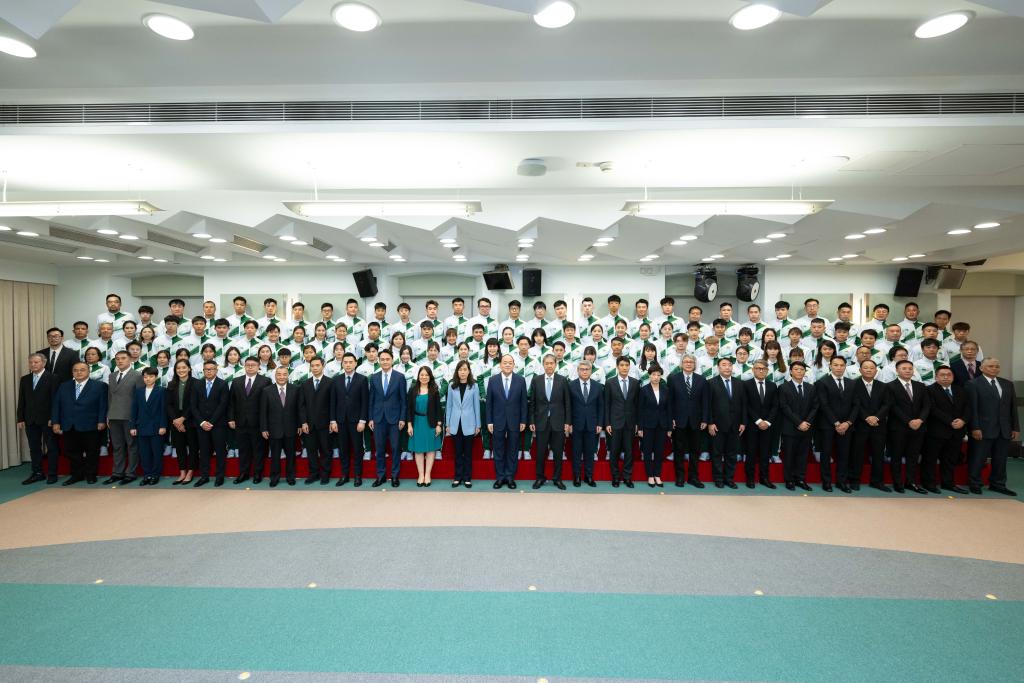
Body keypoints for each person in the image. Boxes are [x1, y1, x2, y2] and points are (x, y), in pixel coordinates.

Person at [966, 358, 1019, 496]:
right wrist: (975, 427)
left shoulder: (1007, 384)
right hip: (982, 429)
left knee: (1001, 459)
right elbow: (972, 408)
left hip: (1004, 428)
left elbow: (1012, 407)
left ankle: (998, 484)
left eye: (997, 366)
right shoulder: (973, 384)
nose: (994, 368)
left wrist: (1015, 427)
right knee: (978, 458)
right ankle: (975, 483)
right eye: (990, 366)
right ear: (981, 368)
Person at [51, 361, 108, 485]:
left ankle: (91, 475)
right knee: (71, 451)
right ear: (72, 372)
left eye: (82, 370)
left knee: (92, 451)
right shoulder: (64, 386)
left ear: (89, 371)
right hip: (69, 424)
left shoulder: (100, 386)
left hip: (91, 424)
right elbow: (57, 405)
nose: (79, 372)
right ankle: (77, 475)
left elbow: (103, 405)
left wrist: (101, 420)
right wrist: (55, 422)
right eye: (75, 370)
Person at [924, 366, 971, 495]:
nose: (946, 377)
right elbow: (932, 409)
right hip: (936, 431)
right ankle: (929, 483)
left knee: (950, 459)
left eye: (949, 375)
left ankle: (948, 483)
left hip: (956, 431)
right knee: (930, 459)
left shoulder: (960, 390)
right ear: (936, 377)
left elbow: (968, 408)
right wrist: (950, 421)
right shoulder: (929, 390)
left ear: (953, 377)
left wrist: (963, 420)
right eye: (942, 375)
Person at [528, 354, 572, 489]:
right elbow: (532, 402)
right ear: (543, 365)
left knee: (558, 453)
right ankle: (539, 478)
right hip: (541, 422)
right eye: (546, 363)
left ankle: (557, 479)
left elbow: (567, 403)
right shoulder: (536, 380)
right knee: (540, 453)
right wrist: (532, 421)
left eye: (551, 363)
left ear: (555, 365)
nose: (549, 366)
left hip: (558, 422)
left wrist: (567, 422)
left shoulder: (562, 380)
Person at [886, 359, 930, 494]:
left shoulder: (920, 386)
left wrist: (920, 420)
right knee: (897, 456)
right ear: (897, 370)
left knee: (913, 456)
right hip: (898, 427)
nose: (907, 371)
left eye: (910, 369)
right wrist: (908, 421)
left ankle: (911, 482)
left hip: (918, 427)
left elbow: (927, 405)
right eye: (904, 368)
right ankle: (898, 483)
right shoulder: (890, 386)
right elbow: (892, 406)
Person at [815, 356, 858, 493]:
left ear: (845, 366)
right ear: (830, 366)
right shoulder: (822, 382)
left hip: (847, 425)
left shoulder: (852, 383)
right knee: (826, 454)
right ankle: (826, 482)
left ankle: (841, 482)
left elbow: (856, 405)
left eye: (841, 365)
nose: (839, 368)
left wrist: (848, 422)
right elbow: (824, 404)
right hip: (828, 425)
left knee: (844, 455)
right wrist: (836, 423)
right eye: (836, 365)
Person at [17, 353, 60, 484]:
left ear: (44, 363)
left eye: (36, 362)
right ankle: (37, 473)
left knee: (51, 447)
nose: (33, 364)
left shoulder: (53, 378)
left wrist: (54, 418)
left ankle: (52, 474)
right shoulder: (25, 379)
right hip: (30, 419)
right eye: (31, 362)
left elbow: (56, 400)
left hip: (48, 420)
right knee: (34, 447)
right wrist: (20, 418)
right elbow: (22, 400)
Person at [486, 354, 528, 489]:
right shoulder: (492, 380)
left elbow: (523, 403)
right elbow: (489, 403)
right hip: (497, 421)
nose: (508, 365)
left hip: (515, 421)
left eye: (510, 363)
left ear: (514, 365)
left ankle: (510, 477)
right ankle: (500, 477)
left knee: (512, 450)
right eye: (505, 362)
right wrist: (489, 421)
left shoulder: (520, 380)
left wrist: (523, 420)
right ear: (500, 365)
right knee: (498, 450)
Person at [667, 354, 709, 488]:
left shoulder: (702, 380)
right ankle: (680, 477)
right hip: (679, 421)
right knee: (679, 450)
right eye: (686, 362)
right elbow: (669, 402)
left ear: (695, 364)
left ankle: (693, 478)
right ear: (681, 364)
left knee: (695, 451)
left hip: (697, 421)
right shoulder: (673, 379)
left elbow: (705, 402)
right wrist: (671, 418)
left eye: (691, 362)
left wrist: (705, 419)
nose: (689, 364)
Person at [228, 357, 271, 484]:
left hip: (258, 422)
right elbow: (231, 402)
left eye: (253, 365)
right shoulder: (236, 381)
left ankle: (258, 473)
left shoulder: (265, 381)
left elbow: (268, 403)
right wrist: (231, 418)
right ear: (244, 366)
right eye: (248, 365)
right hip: (240, 422)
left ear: (258, 367)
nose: (250, 367)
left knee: (259, 450)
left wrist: (265, 423)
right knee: (243, 449)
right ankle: (244, 473)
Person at [368, 348, 407, 487]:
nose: (385, 362)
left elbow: (403, 400)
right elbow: (371, 400)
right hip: (378, 418)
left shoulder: (400, 377)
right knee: (379, 449)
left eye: (387, 359)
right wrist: (370, 418)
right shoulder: (374, 377)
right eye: (382, 359)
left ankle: (395, 476)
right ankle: (381, 476)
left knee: (396, 448)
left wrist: (402, 418)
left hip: (395, 419)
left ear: (392, 360)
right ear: (379, 361)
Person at [329, 352, 369, 486]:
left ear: (355, 363)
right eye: (345, 362)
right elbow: (332, 402)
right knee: (343, 449)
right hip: (340, 421)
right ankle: (344, 475)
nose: (348, 364)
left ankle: (357, 476)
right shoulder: (336, 380)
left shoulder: (362, 379)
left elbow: (365, 402)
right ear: (342, 364)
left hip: (356, 421)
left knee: (357, 449)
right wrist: (333, 420)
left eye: (350, 362)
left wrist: (362, 420)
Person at [706, 358, 747, 489]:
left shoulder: (739, 383)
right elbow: (707, 405)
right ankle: (718, 479)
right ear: (718, 368)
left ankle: (729, 479)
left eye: (729, 365)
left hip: (735, 425)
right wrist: (710, 423)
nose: (727, 367)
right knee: (717, 454)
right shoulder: (711, 383)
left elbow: (744, 404)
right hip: (717, 425)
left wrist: (743, 422)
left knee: (732, 454)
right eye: (724, 365)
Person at [851, 360, 890, 492]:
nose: (869, 370)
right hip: (860, 425)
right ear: (860, 370)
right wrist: (867, 417)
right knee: (857, 454)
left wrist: (876, 417)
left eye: (872, 368)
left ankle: (877, 481)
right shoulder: (853, 384)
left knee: (878, 454)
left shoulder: (883, 386)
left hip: (879, 425)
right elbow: (855, 403)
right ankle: (855, 480)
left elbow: (887, 404)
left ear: (876, 371)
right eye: (866, 368)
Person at [105, 351, 143, 484]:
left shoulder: (137, 375)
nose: (120, 361)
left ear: (130, 360)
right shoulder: (112, 376)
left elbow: (139, 398)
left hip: (129, 416)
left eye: (123, 358)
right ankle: (117, 473)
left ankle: (130, 473)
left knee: (132, 445)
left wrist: (137, 418)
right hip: (114, 416)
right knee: (117, 446)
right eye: (117, 359)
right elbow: (110, 397)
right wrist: (108, 415)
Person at [190, 360, 229, 487]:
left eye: (211, 369)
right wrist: (202, 422)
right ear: (203, 370)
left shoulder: (223, 384)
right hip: (201, 425)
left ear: (216, 370)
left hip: (218, 424)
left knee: (220, 451)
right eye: (206, 369)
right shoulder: (197, 384)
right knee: (204, 451)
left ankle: (220, 476)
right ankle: (204, 476)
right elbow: (193, 405)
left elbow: (223, 405)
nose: (209, 371)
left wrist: (211, 422)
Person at [779, 361, 817, 491]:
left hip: (807, 427)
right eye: (796, 369)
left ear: (805, 372)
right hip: (790, 427)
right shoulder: (783, 387)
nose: (799, 371)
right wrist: (799, 422)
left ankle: (800, 479)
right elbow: (784, 407)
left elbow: (815, 406)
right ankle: (789, 480)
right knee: (789, 455)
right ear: (790, 371)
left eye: (802, 369)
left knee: (803, 455)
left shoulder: (811, 388)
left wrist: (806, 422)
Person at [261, 366, 301, 486]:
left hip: (291, 428)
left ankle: (290, 477)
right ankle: (274, 478)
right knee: (275, 455)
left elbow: (299, 409)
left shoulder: (295, 389)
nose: (282, 377)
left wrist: (299, 425)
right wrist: (264, 428)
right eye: (279, 374)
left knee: (291, 455)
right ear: (275, 376)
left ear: (288, 375)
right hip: (274, 429)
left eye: (284, 374)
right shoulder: (267, 390)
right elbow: (263, 411)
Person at [604, 356, 640, 488]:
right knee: (614, 451)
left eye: (627, 365)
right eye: (622, 365)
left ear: (629, 367)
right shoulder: (610, 382)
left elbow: (637, 405)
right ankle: (615, 477)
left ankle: (627, 477)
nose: (624, 368)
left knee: (629, 452)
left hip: (630, 423)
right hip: (614, 423)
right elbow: (607, 404)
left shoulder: (635, 383)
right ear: (617, 367)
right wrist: (607, 423)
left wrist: (637, 423)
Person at [297, 357, 334, 484]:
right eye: (312, 366)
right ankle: (314, 474)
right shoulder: (305, 384)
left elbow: (333, 404)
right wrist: (303, 422)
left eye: (317, 365)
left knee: (326, 450)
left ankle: (325, 474)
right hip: (309, 425)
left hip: (325, 424)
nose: (315, 368)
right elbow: (301, 405)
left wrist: (332, 421)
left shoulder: (330, 382)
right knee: (311, 451)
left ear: (323, 366)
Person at [743, 359, 778, 489]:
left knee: (765, 454)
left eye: (763, 369)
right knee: (751, 453)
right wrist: (758, 421)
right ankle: (750, 479)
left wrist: (767, 422)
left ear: (767, 371)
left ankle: (764, 478)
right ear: (753, 370)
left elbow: (775, 406)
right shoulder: (746, 385)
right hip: (752, 425)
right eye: (758, 368)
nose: (761, 371)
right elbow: (746, 405)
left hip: (768, 426)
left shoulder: (772, 386)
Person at [130, 367, 167, 486]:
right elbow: (134, 409)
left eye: (151, 376)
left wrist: (163, 426)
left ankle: (155, 475)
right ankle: (147, 474)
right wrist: (133, 426)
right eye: (145, 377)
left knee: (156, 452)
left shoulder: (161, 391)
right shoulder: (138, 391)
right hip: (141, 426)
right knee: (144, 453)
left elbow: (163, 410)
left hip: (156, 427)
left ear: (156, 377)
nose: (148, 379)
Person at [446, 360, 480, 488]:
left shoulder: (474, 386)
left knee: (468, 453)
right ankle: (457, 477)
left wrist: (478, 425)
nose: (463, 372)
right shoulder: (451, 386)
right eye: (460, 370)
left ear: (469, 371)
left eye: (465, 369)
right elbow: (449, 406)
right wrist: (447, 424)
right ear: (457, 371)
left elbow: (476, 406)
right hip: (455, 424)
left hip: (469, 424)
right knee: (458, 453)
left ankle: (467, 478)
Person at [407, 366, 444, 486]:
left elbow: (438, 409)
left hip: (431, 423)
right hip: (417, 423)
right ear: (418, 376)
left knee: (430, 450)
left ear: (430, 377)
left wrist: (439, 425)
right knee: (418, 450)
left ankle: (428, 474)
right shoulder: (413, 390)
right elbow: (408, 409)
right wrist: (409, 425)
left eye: (426, 375)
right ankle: (421, 475)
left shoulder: (434, 390)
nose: (424, 377)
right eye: (422, 375)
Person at [637, 364, 672, 487]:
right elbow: (640, 410)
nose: (656, 377)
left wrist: (669, 427)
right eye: (653, 375)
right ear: (649, 376)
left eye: (658, 375)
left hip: (662, 425)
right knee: (647, 451)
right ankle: (650, 476)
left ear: (661, 376)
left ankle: (657, 475)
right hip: (647, 425)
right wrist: (640, 427)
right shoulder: (644, 390)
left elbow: (669, 409)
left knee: (659, 451)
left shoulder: (666, 389)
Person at [165, 359, 198, 485]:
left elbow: (194, 403)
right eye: (178, 368)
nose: (181, 370)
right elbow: (168, 404)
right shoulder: (171, 384)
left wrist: (183, 418)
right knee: (179, 447)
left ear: (189, 369)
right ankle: (182, 472)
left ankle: (190, 472)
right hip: (175, 420)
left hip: (190, 419)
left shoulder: (196, 383)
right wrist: (176, 420)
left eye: (184, 367)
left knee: (193, 447)